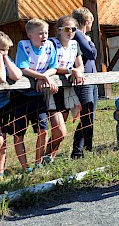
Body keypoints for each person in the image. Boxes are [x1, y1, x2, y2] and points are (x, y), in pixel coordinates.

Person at [14, 18, 58, 171]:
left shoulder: (51, 46)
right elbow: (23, 69)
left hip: (39, 96)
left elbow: (54, 67)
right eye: (40, 33)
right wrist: (42, 77)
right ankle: (25, 167)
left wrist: (44, 75)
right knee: (19, 133)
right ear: (30, 35)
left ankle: (38, 163)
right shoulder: (23, 45)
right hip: (21, 96)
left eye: (46, 32)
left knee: (43, 129)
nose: (44, 36)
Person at [44, 16, 85, 163]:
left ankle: (49, 159)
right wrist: (70, 70)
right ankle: (44, 157)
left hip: (66, 90)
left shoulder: (75, 45)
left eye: (74, 29)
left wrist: (76, 71)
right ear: (59, 30)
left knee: (60, 133)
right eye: (67, 29)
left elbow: (80, 66)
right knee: (60, 132)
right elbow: (51, 67)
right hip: (52, 90)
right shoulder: (51, 44)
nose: (71, 32)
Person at [71, 7, 98, 159]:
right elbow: (92, 54)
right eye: (90, 23)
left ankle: (83, 149)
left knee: (89, 115)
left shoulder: (80, 35)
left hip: (91, 79)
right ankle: (81, 150)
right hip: (85, 80)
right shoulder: (80, 35)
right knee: (87, 115)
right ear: (87, 22)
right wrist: (90, 43)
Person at [0, 32, 22, 177]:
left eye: (7, 50)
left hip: (4, 104)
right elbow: (2, 78)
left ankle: (0, 171)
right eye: (2, 49)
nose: (5, 52)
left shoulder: (6, 60)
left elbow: (16, 75)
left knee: (3, 138)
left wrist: (6, 58)